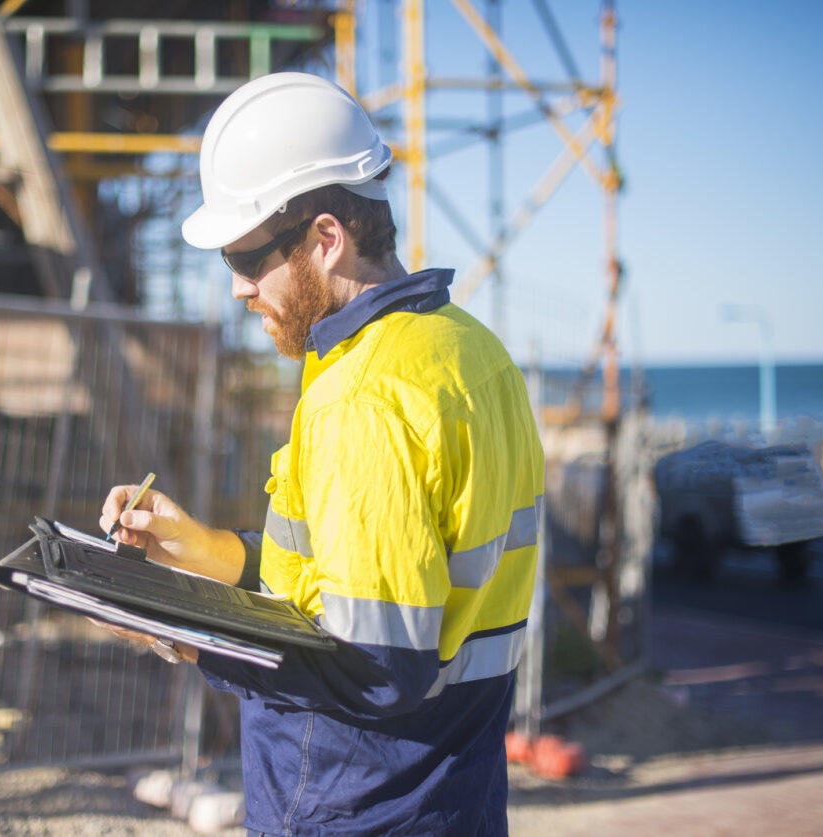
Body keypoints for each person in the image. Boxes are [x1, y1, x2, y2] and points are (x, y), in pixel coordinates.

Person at [98, 72, 544, 836]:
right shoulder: (470, 353)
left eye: (245, 259)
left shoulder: (360, 398)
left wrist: (183, 635)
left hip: (359, 802)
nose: (238, 289)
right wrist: (198, 550)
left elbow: (374, 668)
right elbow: (346, 584)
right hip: (455, 794)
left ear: (326, 239)